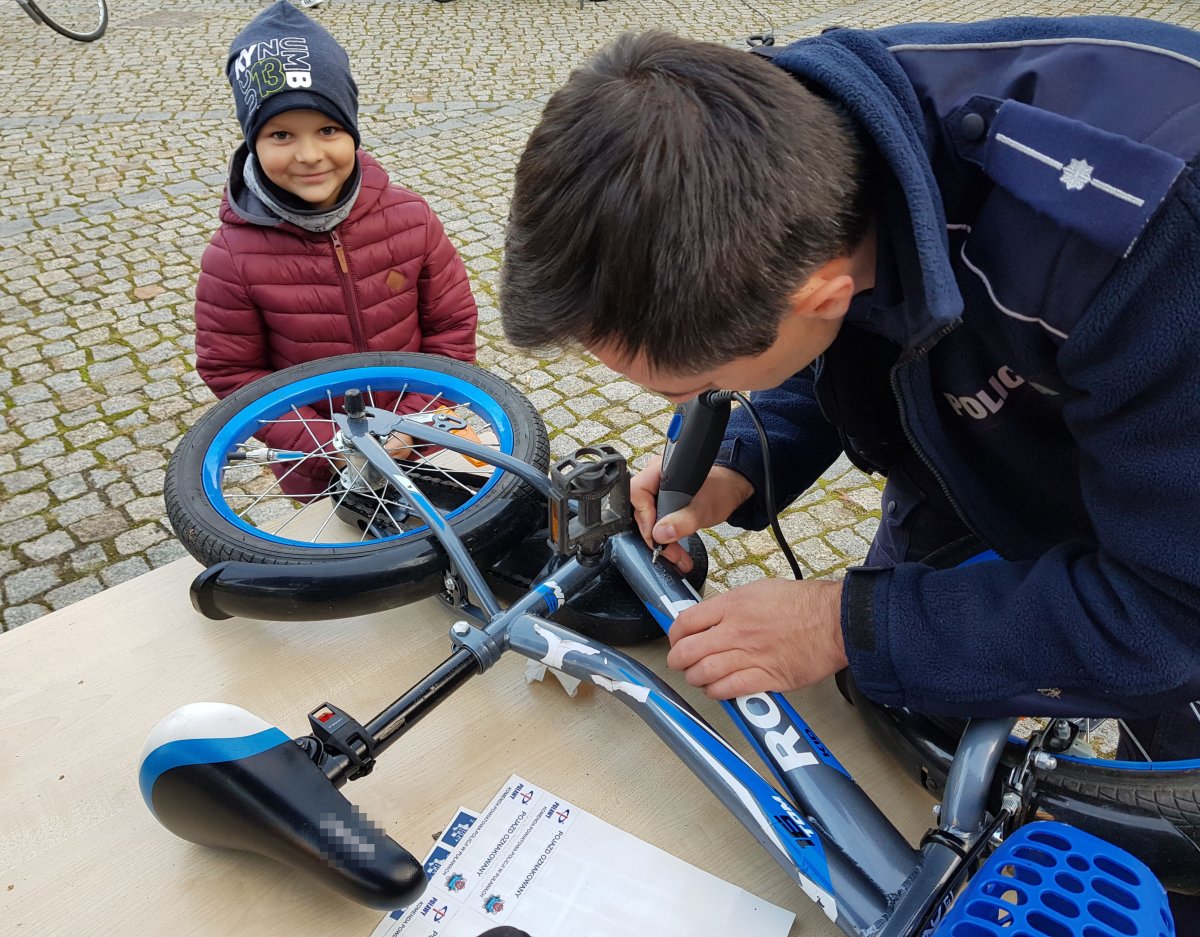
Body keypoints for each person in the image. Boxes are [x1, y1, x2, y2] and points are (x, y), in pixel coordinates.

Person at [500, 23, 1200, 737]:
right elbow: (844, 343)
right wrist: (741, 456)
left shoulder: (1151, 247)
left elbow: (1171, 613)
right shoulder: (794, 144)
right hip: (975, 434)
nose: (683, 408)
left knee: (1164, 763)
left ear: (824, 297)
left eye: (687, 386)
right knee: (894, 688)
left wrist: (838, 622)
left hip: (1170, 539)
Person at [195, 1, 477, 498]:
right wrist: (334, 441)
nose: (308, 155)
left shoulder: (412, 218)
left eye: (327, 129)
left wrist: (408, 426)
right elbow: (233, 372)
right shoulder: (232, 257)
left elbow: (451, 331)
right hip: (318, 464)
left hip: (425, 439)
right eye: (281, 134)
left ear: (352, 129)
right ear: (251, 143)